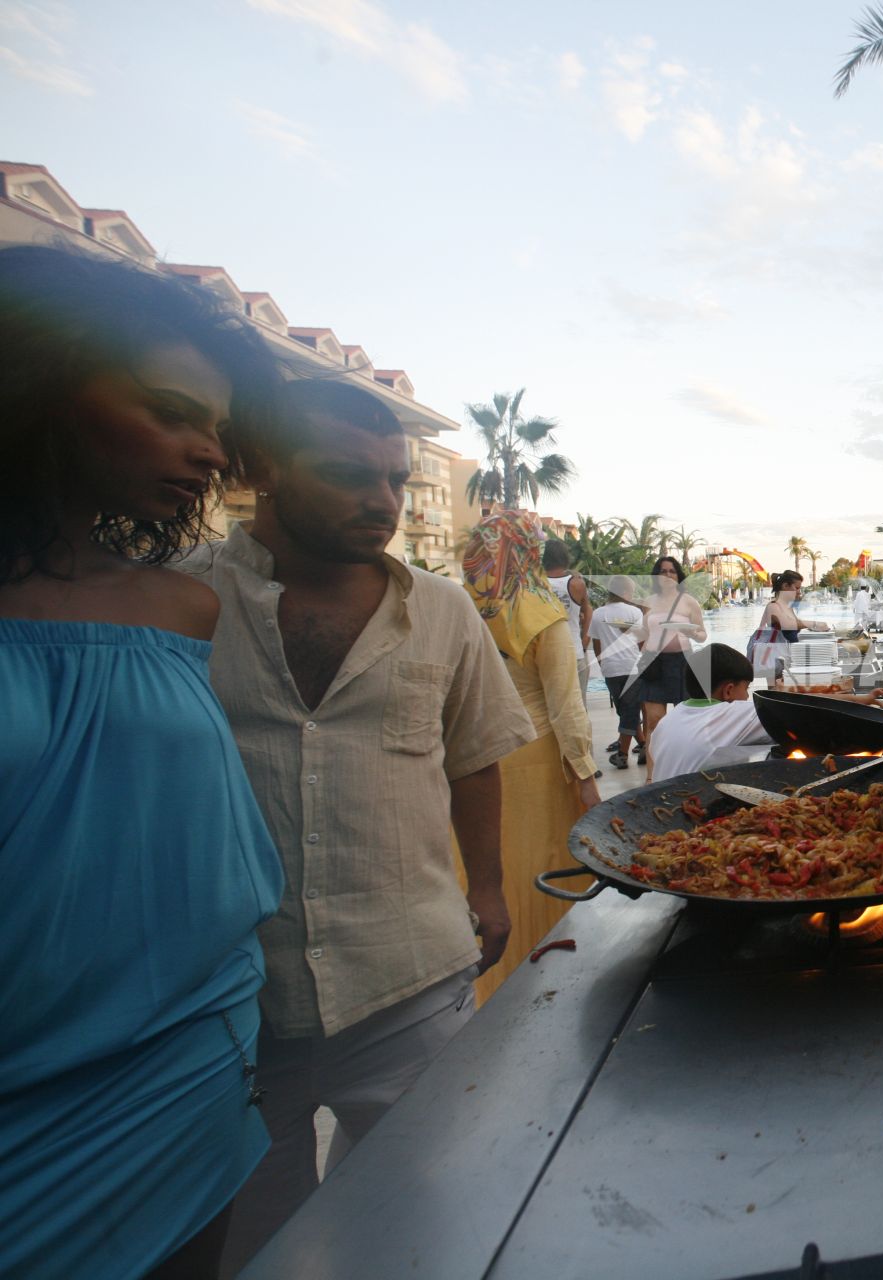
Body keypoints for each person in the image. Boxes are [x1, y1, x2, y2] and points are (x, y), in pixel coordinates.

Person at [182, 377, 538, 1276]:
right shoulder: (180, 605)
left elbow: (473, 757)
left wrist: (487, 887)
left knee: (423, 1220)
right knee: (252, 1243)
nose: (380, 503)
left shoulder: (444, 611)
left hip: (408, 972)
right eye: (347, 475)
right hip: (229, 996)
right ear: (261, 469)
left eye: (390, 478)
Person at [0, 245, 287, 1280]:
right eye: (170, 411)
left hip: (183, 1058)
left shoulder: (181, 609)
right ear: (36, 383)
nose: (209, 450)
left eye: (216, 424)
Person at [461, 511, 601, 1002]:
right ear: (528, 554)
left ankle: (487, 986)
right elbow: (566, 705)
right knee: (540, 869)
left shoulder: (467, 605)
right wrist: (585, 774)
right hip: (536, 761)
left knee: (488, 872)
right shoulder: (540, 614)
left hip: (474, 763)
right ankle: (536, 987)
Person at [652, 645, 881, 782]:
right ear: (729, 690)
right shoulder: (732, 714)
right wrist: (859, 700)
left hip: (665, 804)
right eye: (746, 688)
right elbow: (808, 706)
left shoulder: (666, 722)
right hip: (693, 812)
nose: (747, 695)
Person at [635, 554, 707, 779]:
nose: (667, 575)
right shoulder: (648, 602)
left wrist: (690, 631)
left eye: (672, 571)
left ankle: (683, 772)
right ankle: (651, 776)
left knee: (684, 721)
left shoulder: (689, 602)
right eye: (663, 571)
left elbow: (702, 635)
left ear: (678, 575)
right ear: (656, 576)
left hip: (683, 664)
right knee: (654, 721)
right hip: (654, 664)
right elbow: (642, 633)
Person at [589, 573, 647, 769]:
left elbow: (596, 644)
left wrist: (603, 663)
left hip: (610, 669)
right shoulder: (634, 612)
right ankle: (624, 754)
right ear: (624, 592)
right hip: (632, 667)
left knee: (625, 710)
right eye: (631, 592)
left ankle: (642, 745)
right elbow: (641, 641)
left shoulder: (598, 614)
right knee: (630, 711)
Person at [748, 569, 832, 677]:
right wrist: (815, 624)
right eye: (796, 588)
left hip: (786, 660)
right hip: (775, 661)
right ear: (785, 586)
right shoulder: (773, 606)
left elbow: (793, 626)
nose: (799, 591)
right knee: (776, 690)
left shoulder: (788, 607)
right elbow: (787, 624)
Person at [543, 537, 592, 711]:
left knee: (552, 707)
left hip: (545, 655)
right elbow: (588, 611)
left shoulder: (535, 584)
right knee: (579, 706)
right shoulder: (576, 584)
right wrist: (585, 640)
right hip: (575, 651)